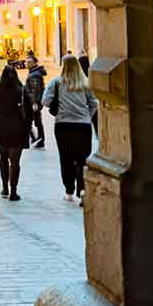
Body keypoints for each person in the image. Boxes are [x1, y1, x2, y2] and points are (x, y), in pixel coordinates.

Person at [43, 54, 99, 203]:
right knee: (82, 158)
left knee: (66, 158)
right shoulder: (85, 83)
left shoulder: (57, 82)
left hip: (63, 125)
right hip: (83, 126)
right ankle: (82, 190)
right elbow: (94, 103)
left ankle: (69, 190)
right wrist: (86, 115)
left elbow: (45, 101)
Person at [0, 64, 31, 200]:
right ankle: (13, 191)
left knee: (3, 158)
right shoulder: (22, 91)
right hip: (18, 129)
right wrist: (26, 128)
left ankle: (5, 188)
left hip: (1, 129)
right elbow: (29, 114)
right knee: (15, 161)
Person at [23, 55, 47, 148]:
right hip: (34, 102)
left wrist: (34, 103)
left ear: (34, 63)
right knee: (35, 121)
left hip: (33, 102)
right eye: (26, 62)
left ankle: (38, 139)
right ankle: (37, 139)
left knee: (29, 121)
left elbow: (35, 91)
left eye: (29, 62)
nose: (26, 64)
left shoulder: (34, 75)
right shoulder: (34, 73)